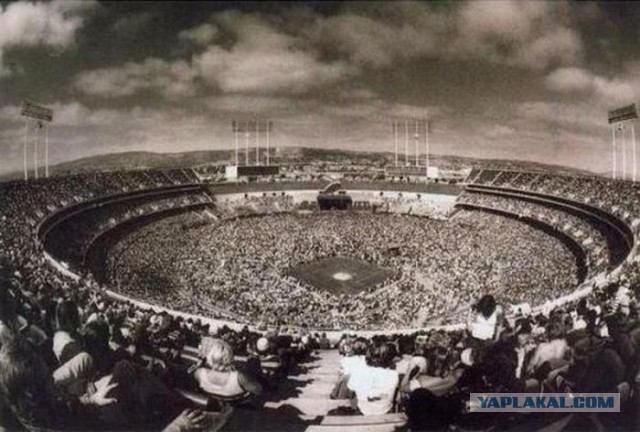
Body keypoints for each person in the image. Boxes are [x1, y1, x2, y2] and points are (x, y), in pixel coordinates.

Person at [194, 338, 263, 399]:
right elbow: (258, 391)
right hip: (236, 406)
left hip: (213, 402)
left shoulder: (199, 373)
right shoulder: (239, 377)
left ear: (210, 357)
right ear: (230, 358)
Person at [347, 343, 400, 415]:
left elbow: (351, 392)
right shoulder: (394, 374)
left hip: (363, 411)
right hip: (386, 412)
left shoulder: (358, 370)